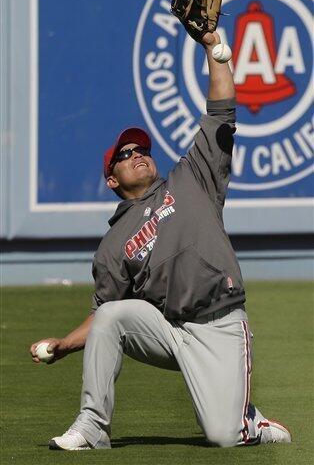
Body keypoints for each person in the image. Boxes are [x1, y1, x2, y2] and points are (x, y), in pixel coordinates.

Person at [30, 30, 291, 450]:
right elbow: (102, 317)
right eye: (126, 153)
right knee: (114, 314)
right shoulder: (112, 247)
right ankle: (93, 425)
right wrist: (64, 344)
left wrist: (213, 49)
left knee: (224, 436)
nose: (138, 153)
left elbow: (221, 111)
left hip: (221, 322)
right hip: (173, 332)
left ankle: (250, 422)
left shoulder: (193, 177)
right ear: (112, 179)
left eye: (141, 148)